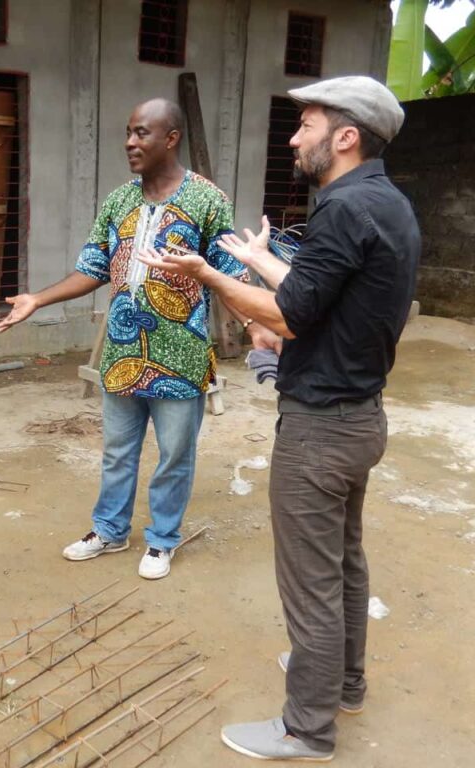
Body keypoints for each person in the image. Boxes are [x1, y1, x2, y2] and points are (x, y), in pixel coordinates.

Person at [137, 76, 419, 760]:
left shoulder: (343, 209)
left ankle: (306, 728)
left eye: (308, 125)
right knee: (344, 564)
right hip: (360, 420)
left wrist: (205, 274)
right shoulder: (387, 204)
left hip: (320, 429)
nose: (295, 138)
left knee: (312, 586)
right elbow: (320, 299)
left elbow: (289, 314)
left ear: (345, 137)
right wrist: (258, 259)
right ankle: (343, 684)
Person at [0, 98, 268, 580]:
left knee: (174, 456)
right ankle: (110, 531)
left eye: (142, 132)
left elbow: (227, 276)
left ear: (171, 138)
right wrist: (38, 299)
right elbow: (92, 268)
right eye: (128, 132)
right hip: (123, 354)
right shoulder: (119, 201)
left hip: (180, 356)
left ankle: (162, 540)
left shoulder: (207, 200)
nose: (130, 142)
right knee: (117, 450)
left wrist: (255, 324)